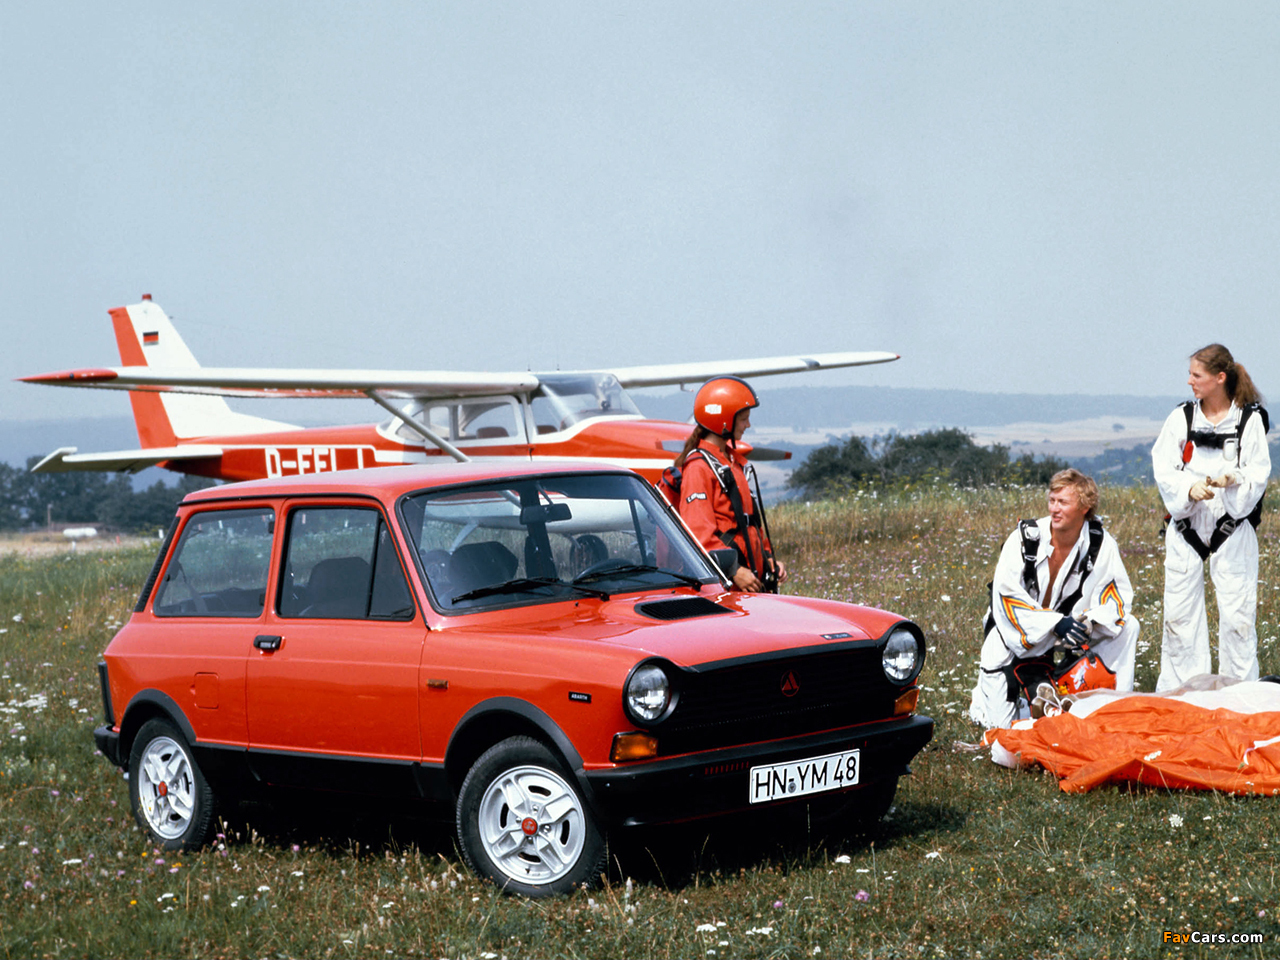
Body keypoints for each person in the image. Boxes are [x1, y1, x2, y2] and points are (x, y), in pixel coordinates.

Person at [969, 469, 1138, 729]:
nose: (1055, 509)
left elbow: (1116, 599)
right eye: (1052, 500)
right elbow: (1005, 596)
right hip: (1012, 630)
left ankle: (1111, 707)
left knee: (1129, 626)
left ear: (1084, 507)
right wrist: (1054, 623)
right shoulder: (1024, 539)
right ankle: (1033, 701)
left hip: (1069, 630)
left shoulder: (1101, 545)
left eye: (1063, 502)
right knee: (998, 727)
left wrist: (1089, 622)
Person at [1152, 344, 1270, 691]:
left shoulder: (1248, 421)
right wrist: (1188, 488)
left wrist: (1233, 480)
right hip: (1187, 525)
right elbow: (1164, 466)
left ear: (1219, 378)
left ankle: (1239, 696)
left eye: (1196, 375)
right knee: (1180, 619)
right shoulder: (1182, 418)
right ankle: (1184, 694)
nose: (1190, 381)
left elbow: (1258, 473)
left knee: (1238, 619)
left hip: (1231, 527)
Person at [670, 376, 786, 592]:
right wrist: (734, 570)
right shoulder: (698, 468)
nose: (748, 425)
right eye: (743, 419)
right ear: (723, 421)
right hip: (727, 586)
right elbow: (698, 534)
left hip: (750, 582)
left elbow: (749, 523)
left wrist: (768, 559)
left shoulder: (732, 462)